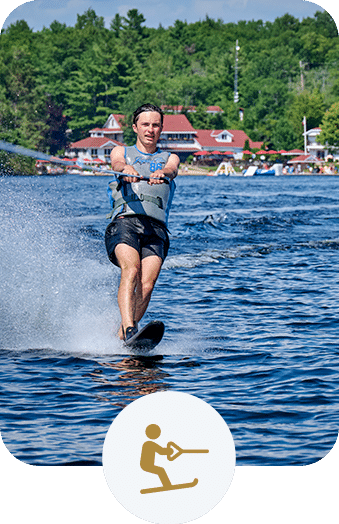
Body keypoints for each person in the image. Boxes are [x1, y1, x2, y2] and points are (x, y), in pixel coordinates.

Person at [105, 103, 180, 342]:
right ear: (135, 127)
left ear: (161, 128)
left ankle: (123, 336)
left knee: (147, 284)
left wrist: (163, 173)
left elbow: (172, 169)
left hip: (156, 229)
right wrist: (125, 169)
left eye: (156, 125)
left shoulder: (170, 158)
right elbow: (116, 164)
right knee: (132, 269)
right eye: (145, 124)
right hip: (125, 223)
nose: (151, 129)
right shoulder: (121, 153)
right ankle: (129, 328)